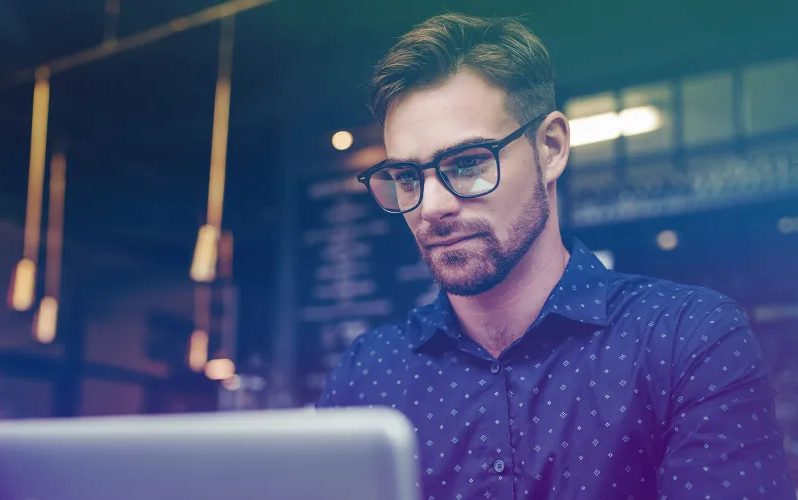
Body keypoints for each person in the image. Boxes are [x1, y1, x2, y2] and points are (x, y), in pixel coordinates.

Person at [317, 13, 795, 499]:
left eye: (467, 164)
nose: (433, 206)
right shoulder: (368, 373)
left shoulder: (686, 340)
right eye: (407, 178)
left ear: (550, 148)